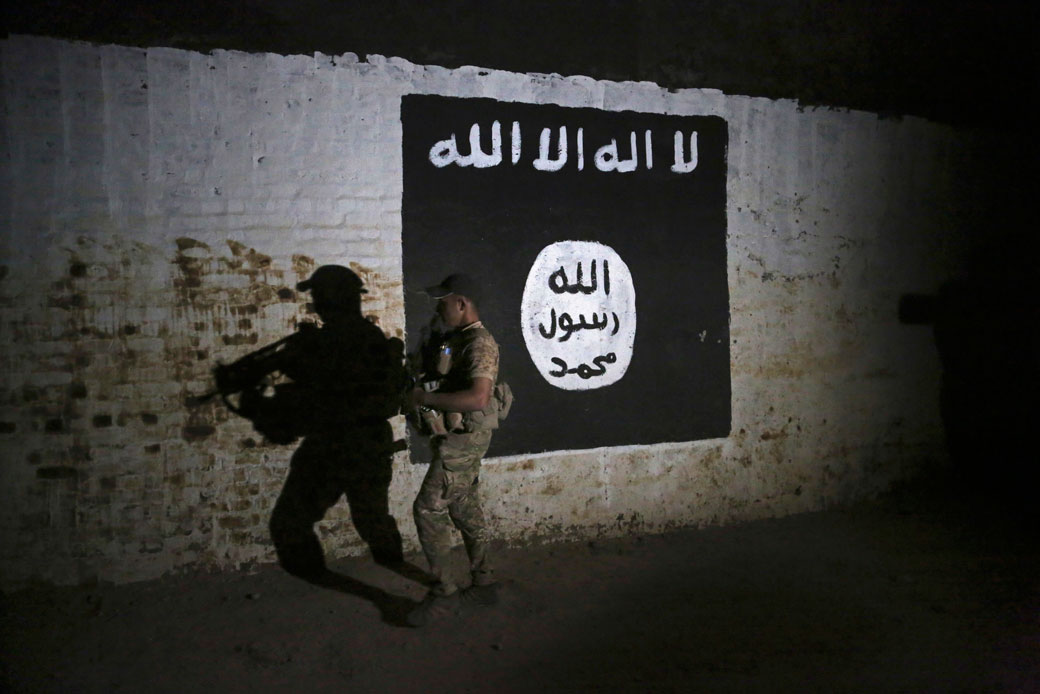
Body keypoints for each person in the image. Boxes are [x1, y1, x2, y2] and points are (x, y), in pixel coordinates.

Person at [405, 273, 501, 626]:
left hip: (462, 444)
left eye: (443, 301)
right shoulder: (458, 339)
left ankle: (444, 595)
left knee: (428, 509)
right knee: (462, 504)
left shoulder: (479, 343)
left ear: (461, 303)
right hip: (459, 439)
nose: (439, 306)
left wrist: (425, 398)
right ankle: (485, 582)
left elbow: (479, 398)